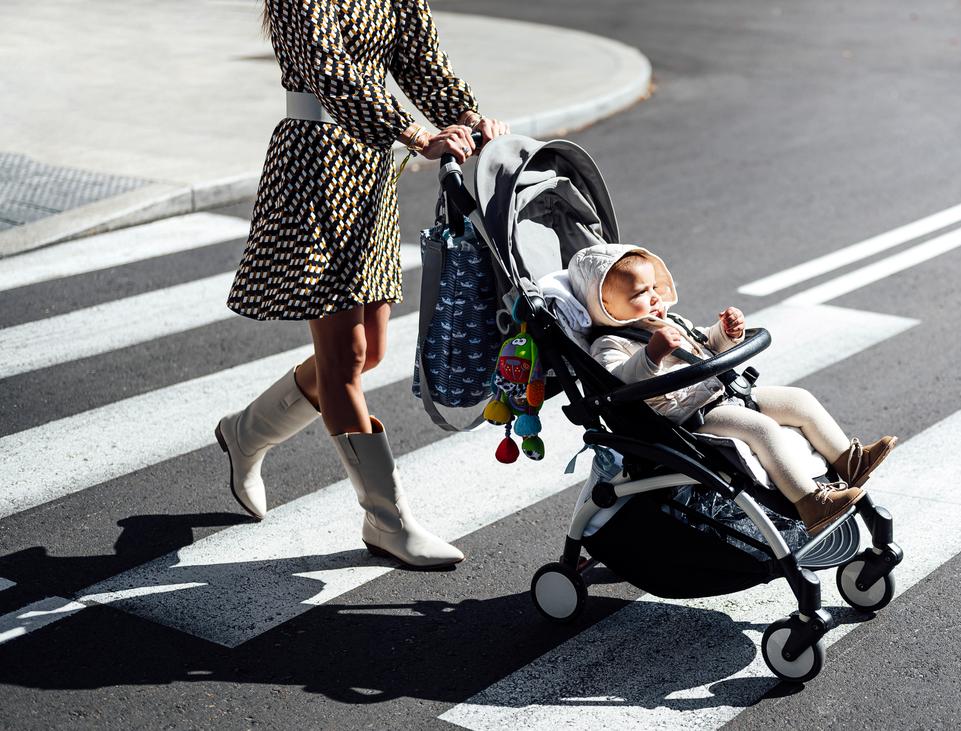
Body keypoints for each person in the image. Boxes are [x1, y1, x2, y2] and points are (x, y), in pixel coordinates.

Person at [215, 0, 509, 568]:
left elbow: (421, 59)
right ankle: (386, 520)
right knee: (345, 357)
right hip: (315, 166)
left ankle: (245, 432)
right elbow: (329, 70)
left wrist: (469, 119)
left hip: (369, 171)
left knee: (368, 352)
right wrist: (414, 132)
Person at [568, 244, 897, 536]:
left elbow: (704, 344)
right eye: (640, 294)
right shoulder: (609, 343)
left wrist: (726, 333)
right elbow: (620, 380)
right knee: (762, 429)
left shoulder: (671, 322)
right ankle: (811, 503)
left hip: (724, 392)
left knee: (799, 401)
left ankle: (849, 461)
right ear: (605, 305)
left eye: (654, 286)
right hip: (689, 416)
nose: (654, 296)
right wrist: (651, 355)